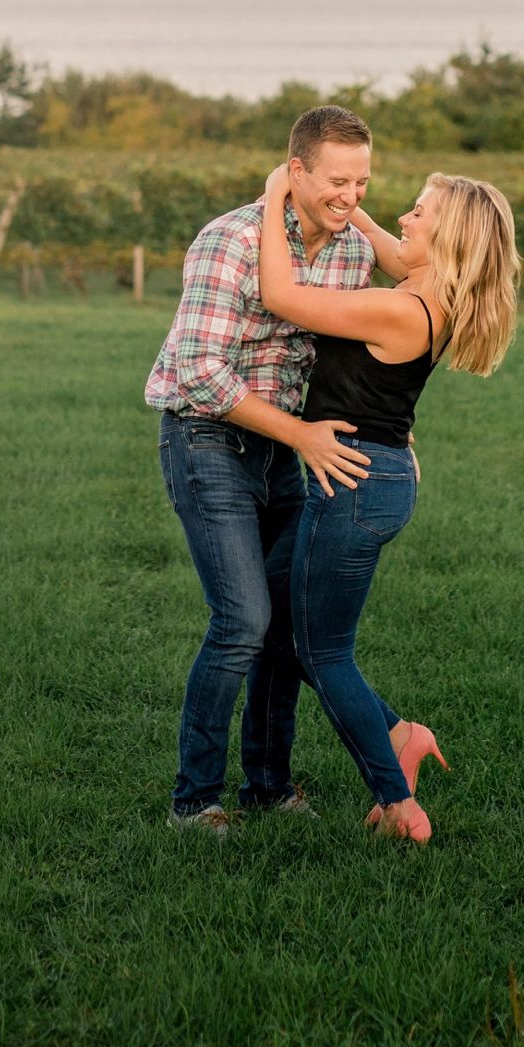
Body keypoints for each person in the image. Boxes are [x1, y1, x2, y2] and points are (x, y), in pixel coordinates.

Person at [254, 161, 521, 844]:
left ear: (449, 237)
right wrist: (348, 210)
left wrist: (275, 195)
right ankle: (399, 735)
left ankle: (397, 803)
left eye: (420, 212)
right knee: (280, 625)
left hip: (355, 485)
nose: (403, 217)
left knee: (321, 652)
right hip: (373, 472)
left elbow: (280, 295)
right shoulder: (420, 290)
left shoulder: (399, 307)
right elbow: (395, 250)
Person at [144, 104, 382, 832]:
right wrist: (302, 437)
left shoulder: (350, 251)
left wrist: (357, 217)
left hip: (287, 446)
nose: (350, 195)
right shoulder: (231, 239)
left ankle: (269, 788)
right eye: (336, 181)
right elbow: (198, 368)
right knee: (243, 619)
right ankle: (194, 801)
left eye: (363, 182)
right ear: (295, 171)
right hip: (207, 438)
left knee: (284, 627)